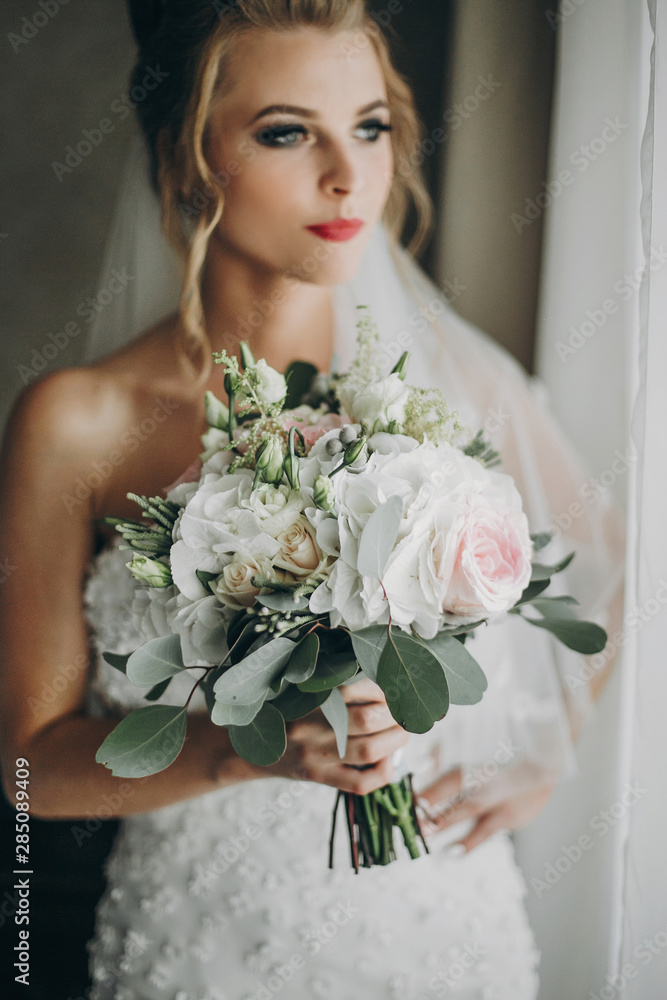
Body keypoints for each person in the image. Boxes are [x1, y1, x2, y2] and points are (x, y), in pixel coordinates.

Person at [0, 2, 625, 998]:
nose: (348, 175)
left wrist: (543, 761)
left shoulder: (450, 384)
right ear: (186, 154)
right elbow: (33, 765)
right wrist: (239, 754)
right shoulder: (73, 423)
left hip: (439, 922)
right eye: (287, 132)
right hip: (199, 938)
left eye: (369, 126)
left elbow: (601, 561)